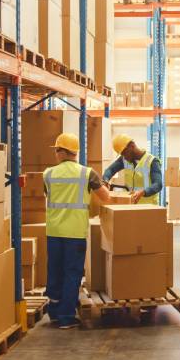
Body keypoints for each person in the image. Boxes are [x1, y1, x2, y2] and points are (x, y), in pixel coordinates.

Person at [44, 133, 111, 329]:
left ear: (63, 152)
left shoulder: (48, 174)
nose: (56, 154)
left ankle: (54, 313)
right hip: (74, 233)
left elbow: (49, 194)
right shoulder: (87, 173)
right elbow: (105, 197)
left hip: (54, 231)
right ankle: (66, 317)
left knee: (54, 270)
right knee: (72, 273)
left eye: (57, 150)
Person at [103, 133, 163, 205]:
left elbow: (158, 184)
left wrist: (144, 192)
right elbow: (110, 170)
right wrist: (105, 180)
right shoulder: (124, 160)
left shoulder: (152, 161)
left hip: (149, 207)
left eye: (125, 153)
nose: (124, 157)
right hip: (131, 206)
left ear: (132, 146)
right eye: (122, 154)